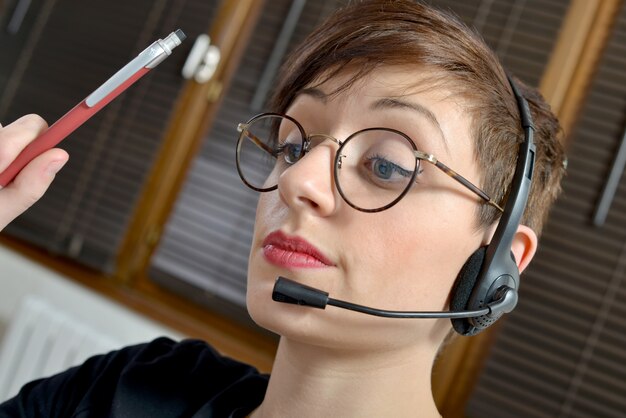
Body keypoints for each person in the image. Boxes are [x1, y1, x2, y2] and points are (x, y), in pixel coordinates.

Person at [0, 1, 566, 417]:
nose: (297, 180)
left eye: (387, 166)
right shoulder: (130, 389)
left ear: (497, 262)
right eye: (295, 147)